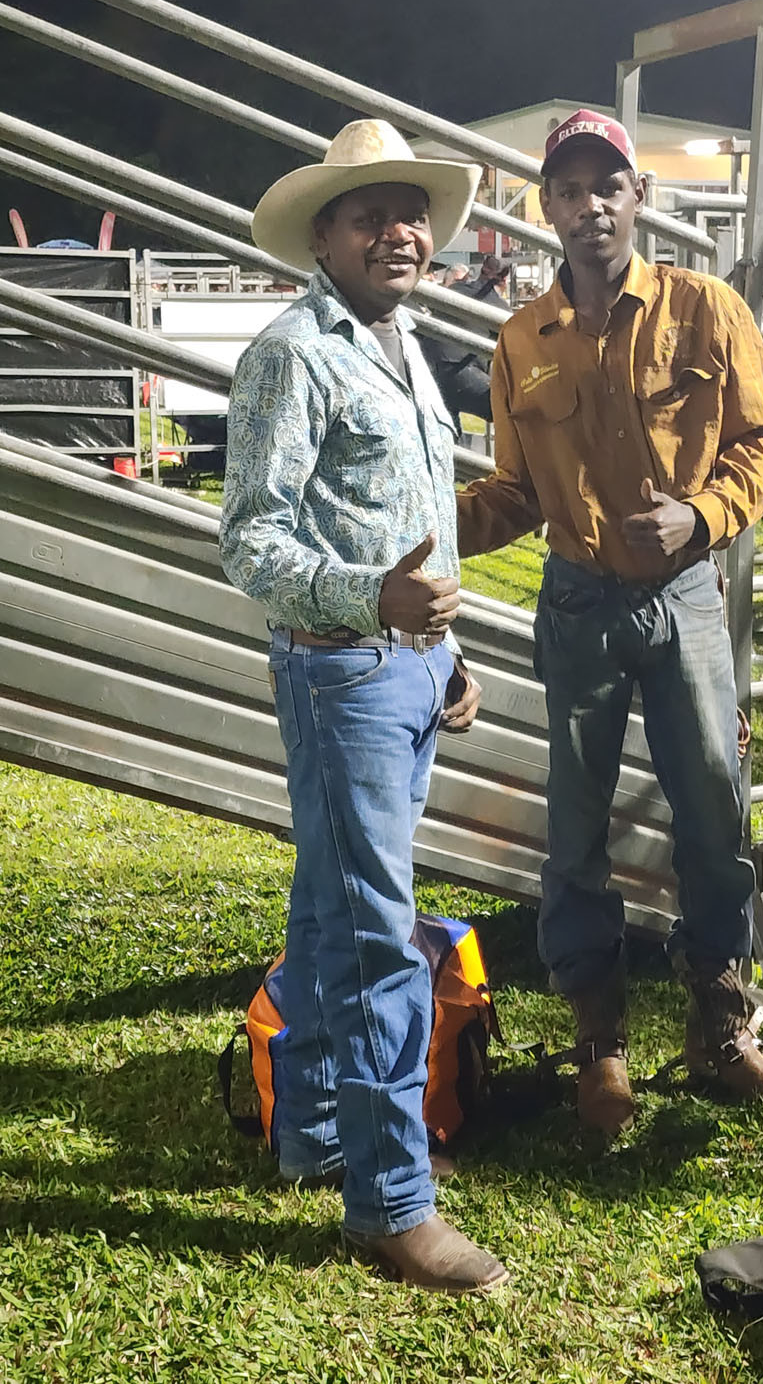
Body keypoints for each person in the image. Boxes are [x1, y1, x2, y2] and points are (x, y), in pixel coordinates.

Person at [458, 109, 763, 1140]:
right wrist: (419, 525)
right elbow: (514, 492)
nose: (590, 207)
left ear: (637, 196)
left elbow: (760, 447)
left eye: (607, 186)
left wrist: (701, 515)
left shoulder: (706, 310)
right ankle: (598, 1040)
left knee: (711, 810)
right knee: (576, 827)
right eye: (568, 191)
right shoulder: (522, 339)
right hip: (579, 602)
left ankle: (721, 1029)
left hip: (684, 596)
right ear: (547, 208)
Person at [219, 118, 507, 1293]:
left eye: (413, 214)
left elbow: (415, 519)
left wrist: (447, 649)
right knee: (379, 932)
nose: (400, 233)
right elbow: (250, 540)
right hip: (344, 672)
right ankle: (392, 1202)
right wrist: (375, 603)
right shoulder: (292, 355)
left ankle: (314, 1134)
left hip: (404, 671)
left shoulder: (400, 343)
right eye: (371, 214)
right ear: (324, 237)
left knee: (332, 916)